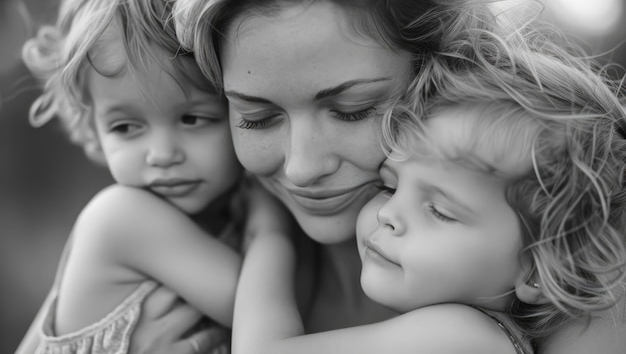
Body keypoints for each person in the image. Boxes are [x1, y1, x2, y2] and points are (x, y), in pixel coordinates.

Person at [144, 0, 626, 353]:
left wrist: (266, 237)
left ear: (436, 71)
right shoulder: (176, 237)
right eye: (257, 118)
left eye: (352, 110)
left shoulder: (590, 287)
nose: (301, 168)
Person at [231, 25, 626, 354]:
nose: (387, 214)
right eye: (389, 187)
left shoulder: (466, 337)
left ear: (540, 271)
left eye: (439, 211)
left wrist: (268, 232)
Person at [16, 0, 243, 353]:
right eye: (125, 127)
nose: (161, 154)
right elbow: (259, 310)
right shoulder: (121, 217)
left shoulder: (220, 218)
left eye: (192, 119)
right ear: (91, 126)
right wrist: (271, 226)